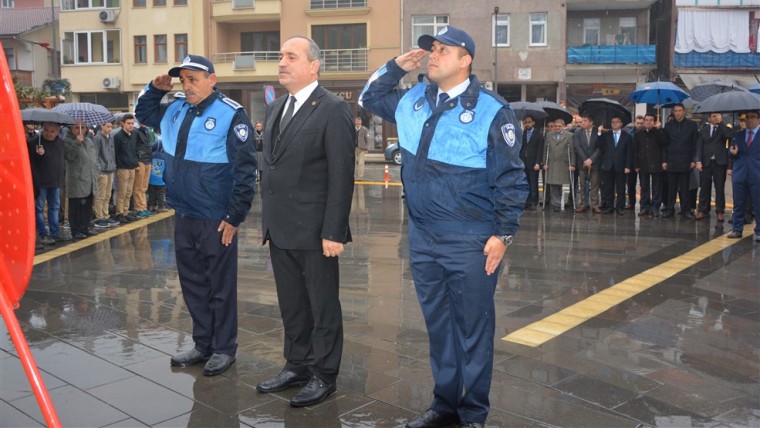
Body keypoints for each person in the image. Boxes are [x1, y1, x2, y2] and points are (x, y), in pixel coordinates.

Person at [359, 26, 527, 428]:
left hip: (470, 237)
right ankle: (444, 405)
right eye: (431, 49)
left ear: (466, 59)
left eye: (443, 50)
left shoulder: (492, 109)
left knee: (472, 328)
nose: (433, 56)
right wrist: (394, 67)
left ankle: (472, 414)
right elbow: (369, 97)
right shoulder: (413, 99)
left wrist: (503, 235)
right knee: (439, 326)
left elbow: (511, 180)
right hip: (422, 235)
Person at [135, 54, 257, 376]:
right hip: (184, 213)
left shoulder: (232, 114)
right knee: (192, 284)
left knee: (220, 285)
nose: (187, 86)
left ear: (212, 80)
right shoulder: (174, 107)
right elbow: (142, 114)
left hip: (216, 217)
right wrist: (154, 90)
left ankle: (223, 348)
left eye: (194, 79)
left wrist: (234, 216)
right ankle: (203, 343)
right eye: (183, 80)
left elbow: (245, 170)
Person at [255, 36, 354, 408]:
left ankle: (324, 374)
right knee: (292, 304)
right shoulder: (276, 107)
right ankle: (297, 364)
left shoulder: (332, 109)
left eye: (290, 57)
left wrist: (333, 230)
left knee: (322, 305)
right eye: (280, 55)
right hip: (280, 228)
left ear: (313, 66)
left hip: (316, 231)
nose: (282, 62)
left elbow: (341, 174)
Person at [28, 122, 68, 245]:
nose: (48, 133)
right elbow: (31, 162)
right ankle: (42, 234)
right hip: (41, 181)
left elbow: (62, 159)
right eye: (46, 130)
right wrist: (39, 155)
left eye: (52, 131)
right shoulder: (34, 142)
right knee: (39, 208)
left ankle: (54, 233)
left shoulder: (60, 142)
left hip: (55, 180)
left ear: (57, 131)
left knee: (54, 207)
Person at [727, 110, 760, 241]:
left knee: (758, 204)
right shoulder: (738, 135)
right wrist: (732, 152)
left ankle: (759, 231)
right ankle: (737, 229)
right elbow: (730, 153)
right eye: (747, 117)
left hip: (757, 174)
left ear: (759, 120)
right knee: (739, 203)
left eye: (753, 117)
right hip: (740, 173)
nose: (749, 120)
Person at [63, 120, 100, 239]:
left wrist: (96, 171)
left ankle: (85, 227)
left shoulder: (88, 140)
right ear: (70, 129)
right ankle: (76, 230)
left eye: (83, 128)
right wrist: (76, 143)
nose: (81, 130)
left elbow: (93, 157)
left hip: (89, 178)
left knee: (87, 205)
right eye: (77, 128)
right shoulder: (67, 141)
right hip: (77, 178)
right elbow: (69, 156)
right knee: (76, 205)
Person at [662, 104, 698, 219]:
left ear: (684, 111)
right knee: (671, 187)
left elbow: (694, 144)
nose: (677, 113)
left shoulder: (691, 125)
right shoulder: (668, 126)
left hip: (686, 160)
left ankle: (685, 210)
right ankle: (669, 209)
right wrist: (664, 160)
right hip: (671, 160)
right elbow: (664, 145)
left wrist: (693, 160)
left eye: (679, 110)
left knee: (684, 188)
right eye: (675, 111)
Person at [695, 112, 731, 222]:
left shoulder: (723, 128)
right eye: (713, 116)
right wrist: (698, 161)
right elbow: (699, 146)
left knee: (719, 187)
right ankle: (703, 209)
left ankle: (720, 211)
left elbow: (728, 136)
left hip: (719, 162)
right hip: (706, 162)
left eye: (718, 116)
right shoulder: (704, 130)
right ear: (709, 118)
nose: (715, 118)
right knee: (704, 187)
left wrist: (721, 123)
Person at [599, 116, 634, 215]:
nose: (614, 124)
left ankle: (620, 207)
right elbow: (599, 145)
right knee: (608, 188)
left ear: (621, 123)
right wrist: (599, 132)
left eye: (616, 122)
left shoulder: (627, 136)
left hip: (621, 165)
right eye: (612, 122)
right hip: (608, 165)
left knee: (621, 188)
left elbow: (629, 152)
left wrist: (628, 166)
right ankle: (609, 206)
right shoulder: (606, 135)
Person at [634, 113, 667, 217]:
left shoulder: (659, 132)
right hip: (643, 163)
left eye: (651, 120)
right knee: (644, 186)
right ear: (644, 121)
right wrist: (636, 164)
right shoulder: (639, 133)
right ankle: (644, 206)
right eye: (646, 120)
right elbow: (635, 150)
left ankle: (655, 207)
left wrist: (659, 130)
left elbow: (664, 144)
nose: (648, 122)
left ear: (654, 121)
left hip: (656, 163)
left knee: (657, 187)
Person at [543, 117, 576, 212]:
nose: (557, 128)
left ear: (564, 126)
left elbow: (572, 151)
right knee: (553, 184)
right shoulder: (549, 135)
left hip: (564, 163)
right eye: (556, 126)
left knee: (560, 183)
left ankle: (560, 201)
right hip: (552, 163)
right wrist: (544, 162)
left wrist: (573, 164)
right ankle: (555, 204)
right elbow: (545, 150)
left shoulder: (569, 136)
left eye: (559, 126)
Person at [113, 114, 139, 224]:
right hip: (122, 168)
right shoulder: (118, 136)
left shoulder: (133, 135)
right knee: (122, 192)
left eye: (132, 123)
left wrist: (136, 163)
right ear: (123, 123)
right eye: (128, 123)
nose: (131, 126)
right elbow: (115, 152)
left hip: (132, 167)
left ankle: (125, 211)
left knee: (129, 192)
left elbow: (134, 150)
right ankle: (119, 213)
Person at [573, 114, 601, 213]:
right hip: (582, 162)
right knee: (582, 184)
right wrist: (585, 160)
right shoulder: (577, 132)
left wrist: (591, 160)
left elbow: (600, 147)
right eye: (582, 121)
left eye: (585, 121)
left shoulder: (597, 131)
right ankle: (583, 204)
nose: (582, 123)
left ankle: (595, 205)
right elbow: (577, 146)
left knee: (594, 185)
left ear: (591, 122)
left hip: (595, 162)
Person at [92, 122, 118, 228]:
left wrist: (113, 166)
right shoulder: (97, 138)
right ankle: (99, 217)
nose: (110, 129)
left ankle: (106, 215)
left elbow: (112, 153)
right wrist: (98, 169)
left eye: (111, 126)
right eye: (108, 126)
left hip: (110, 169)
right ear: (102, 126)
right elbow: (95, 155)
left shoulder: (110, 137)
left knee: (107, 195)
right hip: (102, 171)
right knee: (100, 195)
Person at [519, 115, 544, 210]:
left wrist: (538, 162)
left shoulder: (538, 135)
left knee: (533, 183)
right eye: (525, 122)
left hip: (533, 163)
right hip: (523, 162)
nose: (527, 124)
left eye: (529, 122)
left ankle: (534, 201)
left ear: (533, 123)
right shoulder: (523, 134)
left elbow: (539, 150)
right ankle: (526, 201)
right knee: (525, 183)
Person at [133, 123, 154, 218]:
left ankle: (144, 207)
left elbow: (149, 147)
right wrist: (136, 161)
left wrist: (151, 161)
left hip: (147, 160)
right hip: (140, 160)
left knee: (144, 187)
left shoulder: (147, 132)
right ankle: (139, 208)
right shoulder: (136, 132)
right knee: (138, 186)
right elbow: (134, 147)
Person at [625, 115, 645, 209]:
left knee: (643, 184)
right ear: (634, 123)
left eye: (641, 123)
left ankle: (643, 203)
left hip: (643, 162)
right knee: (630, 184)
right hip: (632, 162)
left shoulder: (646, 133)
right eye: (638, 123)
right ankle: (631, 203)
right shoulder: (629, 134)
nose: (640, 125)